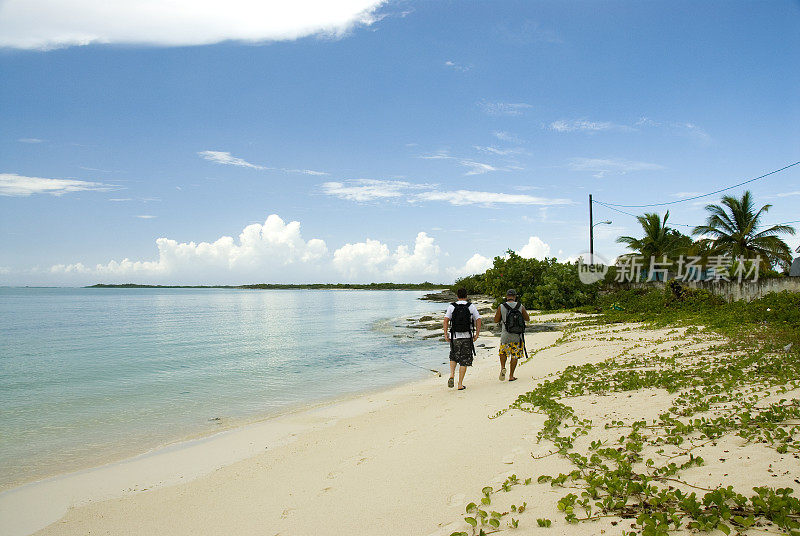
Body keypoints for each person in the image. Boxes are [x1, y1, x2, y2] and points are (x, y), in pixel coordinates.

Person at [443, 287, 481, 390]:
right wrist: (477, 334)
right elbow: (478, 319)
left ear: (457, 296)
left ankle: (451, 374)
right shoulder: (471, 306)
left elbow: (446, 320)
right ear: (466, 296)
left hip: (454, 337)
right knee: (464, 360)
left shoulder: (452, 306)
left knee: (453, 356)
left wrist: (446, 334)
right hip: (467, 337)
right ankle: (460, 384)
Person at [493, 289, 530, 382]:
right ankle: (511, 376)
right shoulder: (520, 306)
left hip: (505, 335)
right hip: (517, 336)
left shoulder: (502, 306)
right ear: (515, 296)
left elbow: (496, 320)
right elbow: (527, 318)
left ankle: (502, 367)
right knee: (515, 355)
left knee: (503, 352)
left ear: (506, 296)